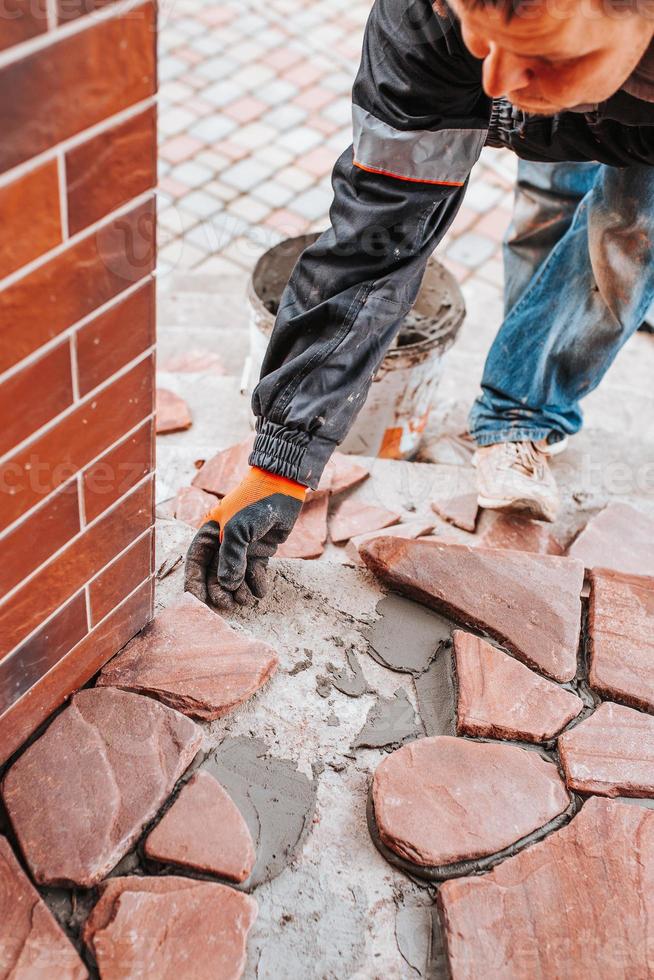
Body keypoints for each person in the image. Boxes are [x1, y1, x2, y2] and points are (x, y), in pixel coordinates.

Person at [185, 0, 654, 609]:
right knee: (544, 200)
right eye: (484, 40)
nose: (496, 85)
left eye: (541, 54)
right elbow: (377, 240)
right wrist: (282, 459)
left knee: (629, 230)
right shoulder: (428, 18)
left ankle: (526, 410)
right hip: (580, 87)